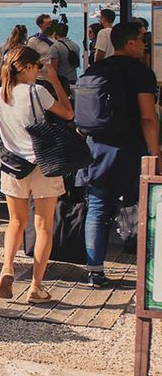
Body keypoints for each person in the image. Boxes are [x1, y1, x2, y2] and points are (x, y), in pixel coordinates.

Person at [76, 20, 160, 286]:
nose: (146, 44)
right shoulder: (140, 73)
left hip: (97, 150)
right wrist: (156, 154)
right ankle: (149, 272)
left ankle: (94, 271)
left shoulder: (95, 69)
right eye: (143, 39)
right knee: (146, 208)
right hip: (132, 149)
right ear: (131, 42)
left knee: (98, 210)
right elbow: (148, 117)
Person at [0, 46, 73, 302]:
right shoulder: (37, 91)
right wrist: (56, 80)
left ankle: (7, 268)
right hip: (42, 163)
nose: (39, 71)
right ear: (26, 67)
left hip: (13, 166)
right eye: (37, 67)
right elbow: (68, 113)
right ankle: (36, 286)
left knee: (15, 221)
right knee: (44, 224)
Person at [49, 20, 81, 87]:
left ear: (55, 33)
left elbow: (54, 67)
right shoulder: (75, 46)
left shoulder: (55, 47)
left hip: (62, 81)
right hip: (73, 79)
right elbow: (77, 64)